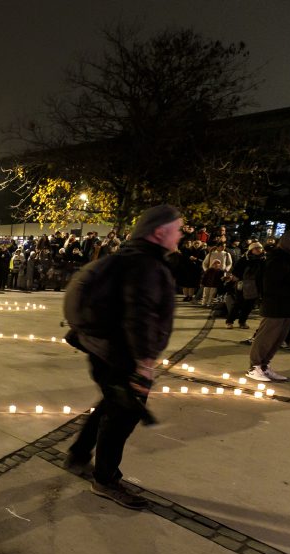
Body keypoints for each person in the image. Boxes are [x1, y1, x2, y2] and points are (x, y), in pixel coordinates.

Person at [64, 204, 182, 510]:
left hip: (102, 349)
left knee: (111, 402)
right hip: (122, 354)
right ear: (159, 231)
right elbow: (139, 315)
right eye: (177, 229)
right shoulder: (147, 265)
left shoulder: (127, 258)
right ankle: (105, 480)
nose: (181, 234)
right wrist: (144, 363)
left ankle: (78, 453)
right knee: (121, 417)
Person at [246, 230, 290, 382]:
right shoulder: (279, 258)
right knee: (267, 337)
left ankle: (264, 366)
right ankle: (255, 367)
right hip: (276, 305)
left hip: (287, 305)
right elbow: (272, 284)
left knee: (278, 338)